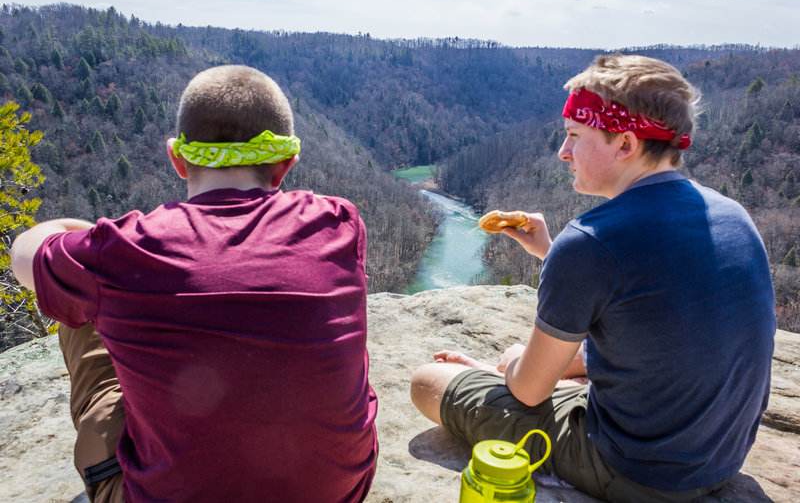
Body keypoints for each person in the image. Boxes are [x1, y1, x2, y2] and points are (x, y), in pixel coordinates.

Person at [410, 54, 775, 502]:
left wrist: (499, 373)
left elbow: (527, 393)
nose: (563, 152)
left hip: (637, 472)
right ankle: (502, 370)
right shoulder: (733, 216)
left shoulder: (590, 242)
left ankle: (490, 378)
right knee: (520, 359)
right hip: (721, 456)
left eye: (574, 136)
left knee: (430, 381)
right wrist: (551, 251)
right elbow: (645, 301)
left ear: (624, 144)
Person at [11, 65, 378, 503]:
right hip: (337, 494)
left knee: (75, 299)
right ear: (285, 166)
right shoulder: (340, 223)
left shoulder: (124, 252)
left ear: (178, 159)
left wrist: (92, 242)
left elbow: (23, 257)